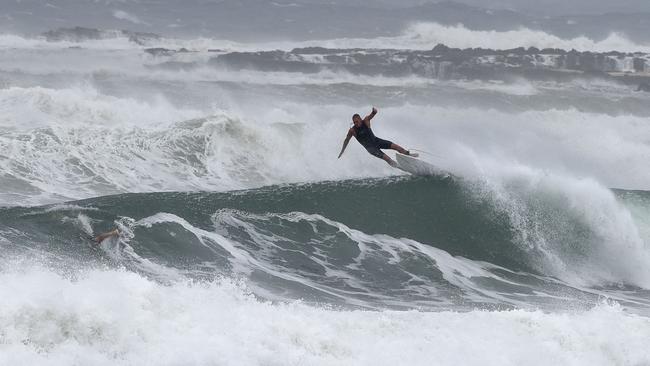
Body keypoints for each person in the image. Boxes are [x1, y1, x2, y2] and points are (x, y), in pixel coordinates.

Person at [337, 107, 417, 167]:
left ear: (360, 119)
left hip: (377, 141)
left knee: (397, 147)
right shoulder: (352, 131)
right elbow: (346, 141)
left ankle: (409, 155)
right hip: (371, 149)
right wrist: (342, 151)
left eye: (357, 121)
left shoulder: (366, 121)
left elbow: (373, 114)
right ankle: (400, 167)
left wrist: (374, 111)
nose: (355, 123)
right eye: (354, 122)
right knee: (388, 159)